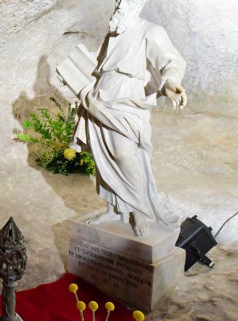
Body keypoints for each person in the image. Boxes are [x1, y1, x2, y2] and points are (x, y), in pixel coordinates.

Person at [69, 0, 187, 236]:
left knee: (124, 154)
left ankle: (138, 209)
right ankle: (114, 209)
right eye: (118, 2)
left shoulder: (151, 31)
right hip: (100, 98)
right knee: (104, 155)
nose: (120, 4)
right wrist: (73, 73)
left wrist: (171, 83)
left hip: (126, 99)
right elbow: (100, 65)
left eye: (125, 2)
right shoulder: (113, 33)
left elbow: (170, 62)